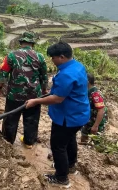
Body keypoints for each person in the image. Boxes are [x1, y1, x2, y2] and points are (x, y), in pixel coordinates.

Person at [26, 42, 90, 188]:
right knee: (70, 139)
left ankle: (61, 177)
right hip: (79, 114)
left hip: (67, 117)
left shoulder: (66, 74)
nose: (52, 61)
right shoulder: (77, 66)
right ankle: (71, 165)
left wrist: (36, 101)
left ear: (62, 57)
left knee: (58, 146)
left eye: (53, 58)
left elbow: (57, 98)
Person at [0, 31, 48, 149]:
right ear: (32, 44)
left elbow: (3, 73)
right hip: (34, 96)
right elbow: (44, 76)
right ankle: (29, 142)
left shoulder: (11, 55)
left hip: (14, 95)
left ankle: (8, 142)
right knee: (32, 119)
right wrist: (44, 90)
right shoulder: (40, 57)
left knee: (11, 119)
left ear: (21, 42)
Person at [80, 73, 108, 143]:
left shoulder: (95, 94)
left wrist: (96, 126)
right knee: (84, 137)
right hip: (88, 121)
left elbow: (101, 110)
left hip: (96, 121)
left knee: (96, 142)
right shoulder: (87, 92)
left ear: (87, 81)